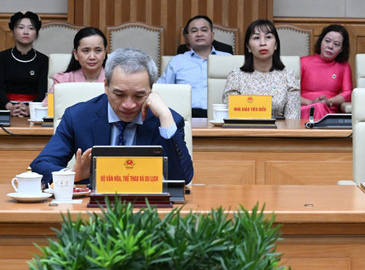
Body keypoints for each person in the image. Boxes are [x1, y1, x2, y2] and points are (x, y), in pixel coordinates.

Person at [30, 47, 193, 186]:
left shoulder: (168, 120)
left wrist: (165, 116)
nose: (128, 105)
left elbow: (182, 179)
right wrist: (71, 174)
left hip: (147, 210)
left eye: (139, 95)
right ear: (106, 86)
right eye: (119, 94)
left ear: (151, 90)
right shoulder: (78, 117)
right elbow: (40, 165)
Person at [222, 20, 300, 119]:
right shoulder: (235, 76)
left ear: (276, 45)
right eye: (256, 38)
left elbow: (292, 120)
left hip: (279, 131)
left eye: (268, 37)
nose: (262, 43)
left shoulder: (288, 76)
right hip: (243, 131)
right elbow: (234, 114)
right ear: (248, 47)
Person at [159, 15, 230, 118]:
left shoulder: (228, 59)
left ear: (212, 35)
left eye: (204, 30)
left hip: (219, 116)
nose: (199, 34)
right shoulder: (177, 61)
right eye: (194, 31)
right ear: (187, 37)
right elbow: (161, 91)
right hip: (185, 117)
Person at [0, 11, 48, 117]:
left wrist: (30, 109)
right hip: (4, 109)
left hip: (35, 111)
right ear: (12, 31)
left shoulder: (44, 60)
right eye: (21, 27)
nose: (26, 32)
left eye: (31, 28)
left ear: (36, 33)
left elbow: (43, 90)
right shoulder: (2, 58)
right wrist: (9, 107)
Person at [300, 24, 353, 121]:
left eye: (336, 44)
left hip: (329, 112)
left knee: (320, 107)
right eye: (327, 41)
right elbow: (290, 93)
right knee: (318, 107)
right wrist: (310, 102)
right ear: (321, 42)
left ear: (341, 49)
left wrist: (329, 101)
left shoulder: (343, 66)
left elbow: (348, 93)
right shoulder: (303, 62)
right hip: (305, 109)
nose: (330, 46)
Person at [48, 27, 107, 92]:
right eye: (86, 51)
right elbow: (49, 102)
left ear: (104, 53)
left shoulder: (114, 79)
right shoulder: (62, 81)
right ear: (76, 54)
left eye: (98, 50)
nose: (92, 57)